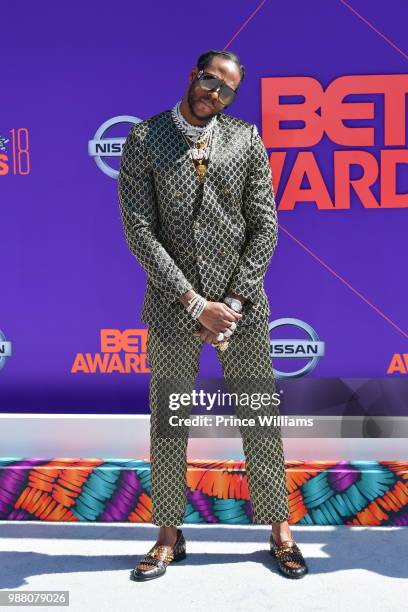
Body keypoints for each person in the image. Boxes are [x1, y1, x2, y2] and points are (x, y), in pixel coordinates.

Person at [118, 49, 308, 581]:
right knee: (170, 423)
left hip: (242, 307)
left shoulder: (245, 140)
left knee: (260, 419)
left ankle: (280, 530)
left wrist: (236, 302)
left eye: (227, 89)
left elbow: (264, 226)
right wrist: (195, 302)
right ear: (192, 76)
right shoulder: (144, 139)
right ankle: (168, 535)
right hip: (173, 304)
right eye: (210, 82)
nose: (215, 94)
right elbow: (140, 230)